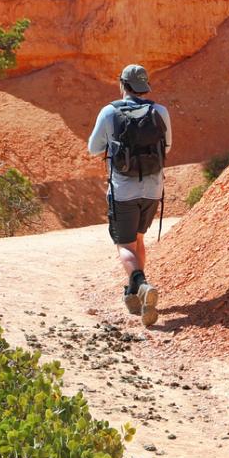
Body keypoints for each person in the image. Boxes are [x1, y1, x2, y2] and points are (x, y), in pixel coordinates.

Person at [88, 63, 171, 326]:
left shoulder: (109, 112)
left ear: (121, 84)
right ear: (144, 86)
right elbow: (167, 145)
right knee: (138, 240)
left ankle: (142, 284)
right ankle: (136, 295)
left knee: (124, 245)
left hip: (123, 190)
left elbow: (93, 148)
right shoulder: (159, 111)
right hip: (153, 189)